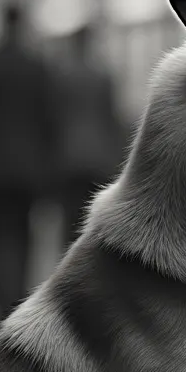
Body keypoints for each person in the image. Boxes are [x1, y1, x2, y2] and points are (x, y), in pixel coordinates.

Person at [0, 1, 59, 326]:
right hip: (29, 168)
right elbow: (50, 122)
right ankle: (16, 299)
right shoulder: (38, 67)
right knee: (22, 234)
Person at [53, 22, 128, 249]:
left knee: (69, 220)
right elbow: (111, 118)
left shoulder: (60, 76)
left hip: (69, 158)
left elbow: (55, 118)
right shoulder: (102, 74)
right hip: (98, 157)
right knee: (93, 218)